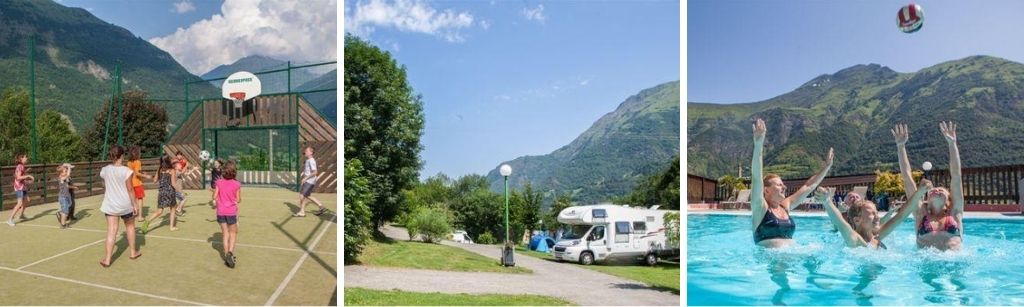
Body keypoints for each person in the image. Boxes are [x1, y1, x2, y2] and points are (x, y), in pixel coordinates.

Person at [749, 119, 833, 248]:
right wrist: (759, 145)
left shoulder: (784, 206)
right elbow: (756, 177)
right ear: (766, 190)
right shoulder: (760, 208)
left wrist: (826, 167)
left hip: (792, 255)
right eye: (779, 185)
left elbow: (808, 186)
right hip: (772, 260)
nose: (784, 187)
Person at [892, 122, 965, 250]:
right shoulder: (920, 214)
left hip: (953, 266)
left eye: (941, 190)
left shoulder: (955, 212)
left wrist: (952, 144)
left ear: (949, 200)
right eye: (933, 190)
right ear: (927, 199)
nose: (936, 189)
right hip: (925, 267)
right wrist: (900, 147)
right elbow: (907, 177)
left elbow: (956, 176)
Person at [816, 180, 930, 249]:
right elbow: (840, 223)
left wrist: (919, 192)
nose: (877, 216)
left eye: (876, 212)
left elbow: (900, 216)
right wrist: (827, 202)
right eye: (872, 214)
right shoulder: (855, 241)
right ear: (857, 220)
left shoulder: (878, 237)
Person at [99, 145, 142, 267]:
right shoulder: (126, 171)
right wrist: (135, 205)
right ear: (122, 156)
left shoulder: (105, 169)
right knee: (130, 226)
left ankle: (107, 259)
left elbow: (104, 184)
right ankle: (133, 252)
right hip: (125, 204)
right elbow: (130, 189)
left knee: (112, 231)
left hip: (110, 204)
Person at [142, 155, 180, 233]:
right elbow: (173, 183)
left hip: (161, 192)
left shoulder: (159, 169)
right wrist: (180, 191)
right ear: (168, 161)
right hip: (170, 192)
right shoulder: (172, 170)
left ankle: (147, 221)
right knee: (173, 209)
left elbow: (155, 180)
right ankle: (171, 227)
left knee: (159, 211)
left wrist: (149, 176)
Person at [216, 161, 242, 268]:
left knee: (225, 233)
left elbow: (214, 196)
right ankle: (230, 253)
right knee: (233, 233)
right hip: (231, 211)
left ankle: (227, 255)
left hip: (221, 211)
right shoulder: (237, 184)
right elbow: (239, 199)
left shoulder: (219, 182)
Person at [292, 147, 327, 217]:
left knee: (302, 195)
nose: (305, 152)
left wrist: (305, 178)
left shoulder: (311, 160)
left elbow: (315, 172)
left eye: (306, 151)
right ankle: (321, 207)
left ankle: (302, 212)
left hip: (309, 181)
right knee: (307, 195)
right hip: (308, 181)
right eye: (305, 151)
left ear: (311, 152)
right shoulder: (308, 160)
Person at [127, 146, 153, 223]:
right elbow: (137, 173)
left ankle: (133, 213)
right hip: (137, 183)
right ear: (137, 153)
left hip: (131, 183)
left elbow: (134, 172)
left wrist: (142, 173)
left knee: (132, 199)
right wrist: (146, 176)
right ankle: (140, 216)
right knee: (140, 199)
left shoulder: (128, 162)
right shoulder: (138, 162)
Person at [7, 153, 35, 226]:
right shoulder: (20, 166)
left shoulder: (22, 166)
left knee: (26, 201)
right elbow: (18, 178)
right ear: (21, 159)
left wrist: (27, 174)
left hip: (23, 187)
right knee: (19, 203)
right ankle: (10, 219)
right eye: (25, 157)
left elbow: (21, 177)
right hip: (19, 187)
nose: (27, 158)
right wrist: (28, 175)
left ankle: (21, 215)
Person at [56, 163, 75, 229]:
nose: (66, 172)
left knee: (69, 205)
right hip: (63, 197)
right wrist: (69, 167)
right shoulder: (61, 178)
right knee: (65, 211)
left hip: (67, 196)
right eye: (65, 171)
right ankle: (63, 225)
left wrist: (67, 166)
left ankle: (60, 214)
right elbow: (68, 175)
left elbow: (67, 185)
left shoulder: (65, 178)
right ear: (61, 173)